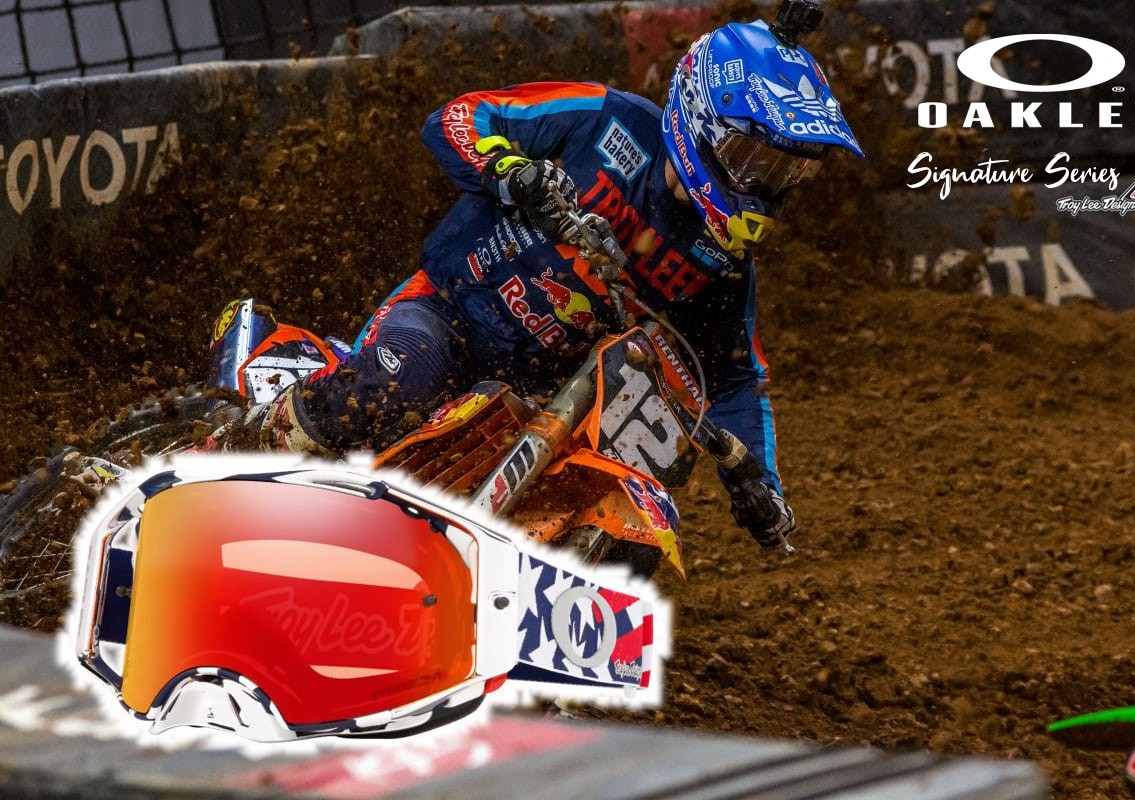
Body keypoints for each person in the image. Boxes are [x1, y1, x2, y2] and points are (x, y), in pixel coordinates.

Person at [225, 15, 864, 549]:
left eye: (786, 174)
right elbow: (458, 118)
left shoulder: (723, 265)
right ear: (703, 118)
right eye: (757, 160)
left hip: (544, 399)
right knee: (406, 377)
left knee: (622, 483)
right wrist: (511, 171)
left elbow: (732, 378)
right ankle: (237, 443)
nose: (767, 188)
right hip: (444, 315)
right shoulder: (603, 120)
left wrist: (759, 484)